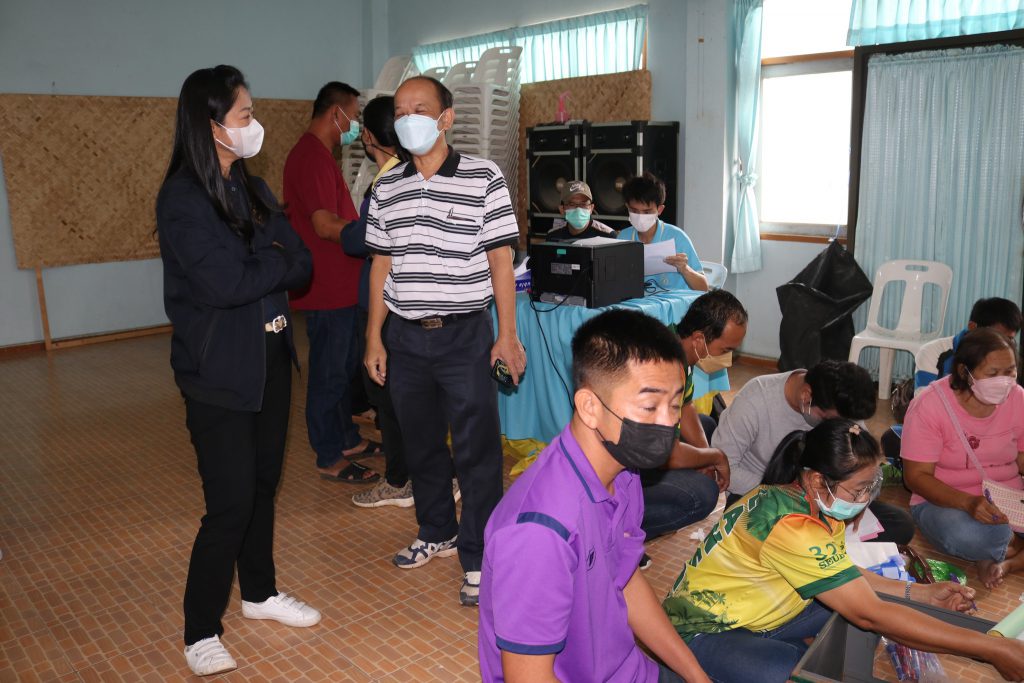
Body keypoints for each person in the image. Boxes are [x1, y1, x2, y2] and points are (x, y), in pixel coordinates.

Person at [156, 65, 318, 677]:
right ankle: (200, 630)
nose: (254, 125)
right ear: (212, 126)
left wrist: (264, 259)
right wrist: (269, 258)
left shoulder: (252, 187)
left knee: (263, 485)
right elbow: (223, 284)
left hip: (271, 358)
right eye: (245, 115)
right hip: (217, 372)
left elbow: (301, 262)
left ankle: (259, 592)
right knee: (229, 502)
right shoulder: (182, 199)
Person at [663, 418, 1024, 683]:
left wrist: (919, 593)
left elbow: (841, 570)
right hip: (705, 632)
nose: (866, 498)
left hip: (757, 611)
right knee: (809, 666)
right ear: (817, 479)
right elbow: (870, 615)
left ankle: (785, 650)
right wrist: (990, 648)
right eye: (860, 488)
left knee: (852, 620)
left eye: (872, 485)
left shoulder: (802, 498)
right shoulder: (792, 526)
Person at [479, 309, 710, 683]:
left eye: (674, 405)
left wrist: (696, 675)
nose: (668, 423)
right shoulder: (540, 531)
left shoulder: (624, 470)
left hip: (630, 671)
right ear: (590, 407)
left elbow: (625, 578)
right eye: (649, 407)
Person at [364, 76, 526, 606]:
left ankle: (479, 554)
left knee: (477, 449)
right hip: (406, 337)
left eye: (420, 108)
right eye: (400, 110)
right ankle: (436, 529)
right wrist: (374, 337)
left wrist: (507, 336)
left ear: (446, 118)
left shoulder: (484, 176)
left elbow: (500, 260)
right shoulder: (386, 187)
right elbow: (381, 264)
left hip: (464, 336)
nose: (408, 118)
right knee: (420, 442)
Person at [284, 81, 380, 484]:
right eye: (353, 117)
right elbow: (324, 225)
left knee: (342, 369)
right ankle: (328, 454)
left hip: (341, 284)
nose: (355, 125)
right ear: (335, 113)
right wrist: (370, 235)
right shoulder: (310, 157)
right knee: (328, 372)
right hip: (325, 288)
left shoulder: (322, 155)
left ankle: (346, 438)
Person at [714, 359, 915, 544]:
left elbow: (868, 467)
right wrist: (793, 496)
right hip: (763, 496)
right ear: (806, 396)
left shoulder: (840, 405)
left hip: (827, 499)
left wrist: (862, 498)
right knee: (755, 533)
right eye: (828, 420)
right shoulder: (756, 398)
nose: (839, 426)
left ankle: (821, 547)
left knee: (899, 524)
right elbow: (724, 468)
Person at [902, 328, 1024, 588]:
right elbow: (916, 477)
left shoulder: (1018, 398)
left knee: (994, 533)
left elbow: (1022, 458)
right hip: (946, 503)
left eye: (1010, 372)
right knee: (969, 534)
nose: (1004, 381)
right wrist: (968, 503)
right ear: (964, 372)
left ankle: (1003, 558)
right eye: (993, 373)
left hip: (1009, 499)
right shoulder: (930, 405)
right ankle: (1007, 546)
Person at [340, 96, 415, 508]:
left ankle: (401, 479)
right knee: (406, 395)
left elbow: (362, 240)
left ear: (368, 136)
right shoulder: (415, 172)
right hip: (407, 302)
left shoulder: (386, 183)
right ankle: (422, 473)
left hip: (384, 305)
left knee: (387, 396)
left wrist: (341, 230)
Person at [639, 290, 747, 554]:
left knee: (706, 425)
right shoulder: (664, 370)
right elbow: (666, 453)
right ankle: (622, 527)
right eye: (725, 349)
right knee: (703, 495)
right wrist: (714, 457)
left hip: (648, 446)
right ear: (699, 339)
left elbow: (685, 407)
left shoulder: (675, 346)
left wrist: (705, 457)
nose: (728, 358)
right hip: (625, 468)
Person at [882, 296, 1021, 466]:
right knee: (894, 438)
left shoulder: (1007, 359)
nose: (1003, 345)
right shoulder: (935, 352)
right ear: (973, 327)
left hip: (993, 433)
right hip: (946, 434)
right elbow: (924, 410)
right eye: (996, 336)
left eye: (1010, 339)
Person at [617, 172, 708, 291]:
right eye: (634, 211)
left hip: (674, 300)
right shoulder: (623, 237)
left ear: (659, 210)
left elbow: (704, 288)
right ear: (627, 207)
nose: (640, 217)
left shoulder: (677, 238)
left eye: (647, 212)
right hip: (638, 301)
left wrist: (685, 269)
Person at [545, 180, 616, 241]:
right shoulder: (553, 236)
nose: (578, 209)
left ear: (591, 208)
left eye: (583, 204)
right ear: (562, 209)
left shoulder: (607, 237)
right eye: (572, 204)